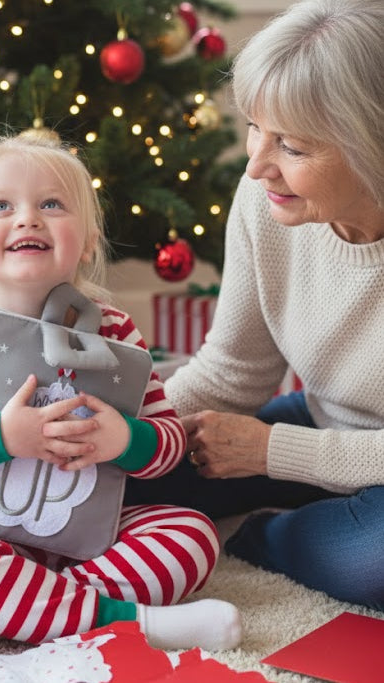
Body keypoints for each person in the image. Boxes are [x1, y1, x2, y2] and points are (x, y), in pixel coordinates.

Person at [0, 128, 242, 655]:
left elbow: (167, 445)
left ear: (89, 240)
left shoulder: (115, 331)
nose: (27, 217)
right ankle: (140, 624)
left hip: (88, 545)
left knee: (191, 536)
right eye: (1, 205)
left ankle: (11, 614)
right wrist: (2, 436)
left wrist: (125, 441)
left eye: (52, 204)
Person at [125, 0, 384, 610]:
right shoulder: (268, 203)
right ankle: (322, 507)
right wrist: (129, 430)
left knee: (372, 563)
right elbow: (234, 371)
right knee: (120, 481)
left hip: (340, 452)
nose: (257, 165)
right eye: (254, 127)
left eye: (291, 145)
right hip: (324, 423)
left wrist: (273, 453)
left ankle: (263, 536)